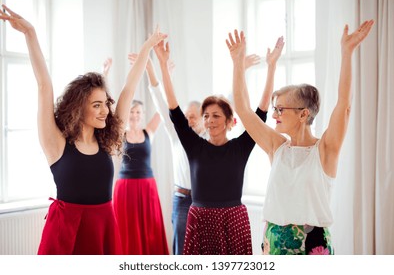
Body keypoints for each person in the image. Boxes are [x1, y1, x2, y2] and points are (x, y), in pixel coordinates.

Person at [0, 5, 166, 255]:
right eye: (96, 105)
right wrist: (30, 33)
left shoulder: (107, 142)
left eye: (105, 105)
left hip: (103, 227)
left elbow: (129, 89)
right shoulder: (55, 143)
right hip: (65, 231)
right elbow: (44, 85)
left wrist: (148, 45)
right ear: (79, 108)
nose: (104, 111)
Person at [227, 21, 374, 255]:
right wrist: (237, 63)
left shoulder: (325, 149)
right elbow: (243, 110)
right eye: (275, 109)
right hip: (273, 239)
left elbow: (344, 106)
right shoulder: (276, 146)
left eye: (280, 109)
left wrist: (347, 53)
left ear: (303, 114)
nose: (274, 115)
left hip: (312, 242)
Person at [153, 36, 284, 255]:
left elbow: (260, 112)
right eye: (206, 116)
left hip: (233, 221)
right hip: (200, 220)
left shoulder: (239, 147)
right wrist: (163, 66)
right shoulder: (194, 146)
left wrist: (270, 67)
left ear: (229, 121)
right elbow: (174, 110)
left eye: (216, 116)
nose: (210, 120)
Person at [129, 53, 205, 255]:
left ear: (204, 119)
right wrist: (152, 70)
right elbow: (162, 105)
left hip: (204, 200)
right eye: (187, 116)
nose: (189, 120)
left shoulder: (209, 139)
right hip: (182, 199)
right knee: (181, 251)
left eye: (193, 117)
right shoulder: (176, 134)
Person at [113, 96, 169, 255]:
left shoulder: (148, 132)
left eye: (138, 112)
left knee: (152, 226)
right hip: (125, 188)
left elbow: (160, 111)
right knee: (128, 227)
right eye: (131, 111)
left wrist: (167, 79)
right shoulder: (119, 134)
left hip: (147, 186)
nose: (135, 115)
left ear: (143, 114)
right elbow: (111, 117)